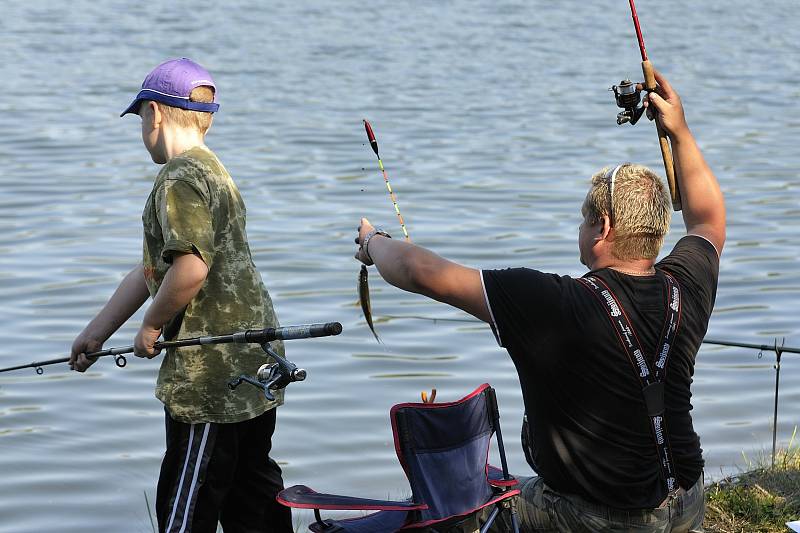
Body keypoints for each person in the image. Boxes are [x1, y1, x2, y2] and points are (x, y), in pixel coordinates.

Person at [354, 70, 724, 532]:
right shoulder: (685, 284)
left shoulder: (552, 303)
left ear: (603, 228)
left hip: (599, 520)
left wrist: (373, 242)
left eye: (583, 220)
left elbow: (419, 272)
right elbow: (707, 219)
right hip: (686, 506)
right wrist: (681, 130)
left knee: (493, 506)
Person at [69, 58, 293, 533]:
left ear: (154, 113)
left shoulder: (176, 178)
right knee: (253, 495)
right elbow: (155, 269)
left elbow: (190, 268)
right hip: (256, 359)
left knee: (188, 502)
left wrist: (150, 326)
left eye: (140, 121)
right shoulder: (214, 171)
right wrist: (97, 331)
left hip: (210, 374)